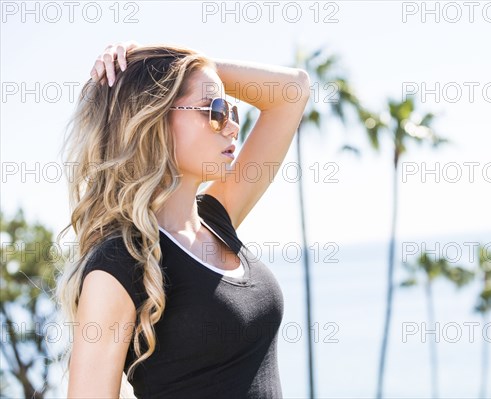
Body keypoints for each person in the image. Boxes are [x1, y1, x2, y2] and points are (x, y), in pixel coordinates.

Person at [54, 41, 310, 398]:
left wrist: (192, 65)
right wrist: (172, 72)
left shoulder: (216, 220)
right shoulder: (119, 264)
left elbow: (292, 91)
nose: (232, 126)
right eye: (214, 110)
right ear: (153, 114)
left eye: (232, 111)